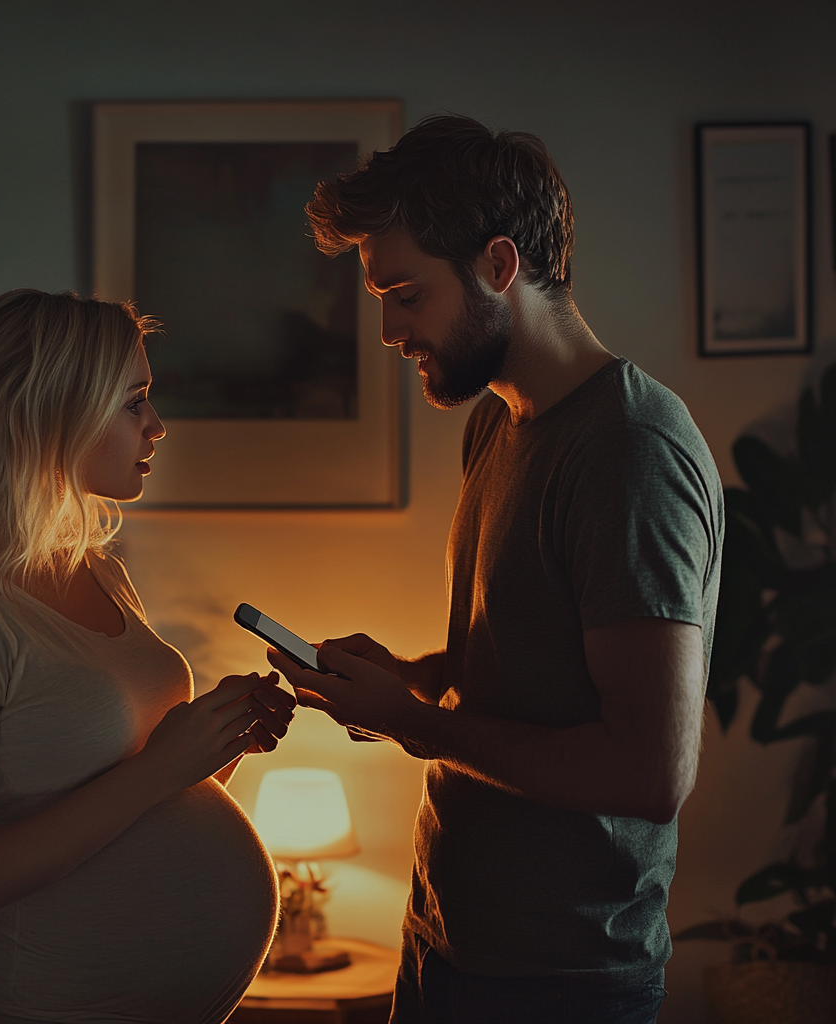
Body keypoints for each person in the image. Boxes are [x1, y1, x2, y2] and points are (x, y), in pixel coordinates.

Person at [266, 116, 723, 1024]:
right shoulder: (498, 423)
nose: (390, 329)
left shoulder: (629, 451)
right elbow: (527, 664)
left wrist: (415, 726)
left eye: (406, 294)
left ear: (501, 264)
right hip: (449, 940)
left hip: (561, 982)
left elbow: (650, 771)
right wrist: (416, 678)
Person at [0, 290, 295, 1024]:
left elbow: (115, 795)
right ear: (48, 410)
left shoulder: (99, 572)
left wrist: (220, 748)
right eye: (134, 404)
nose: (157, 427)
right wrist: (166, 764)